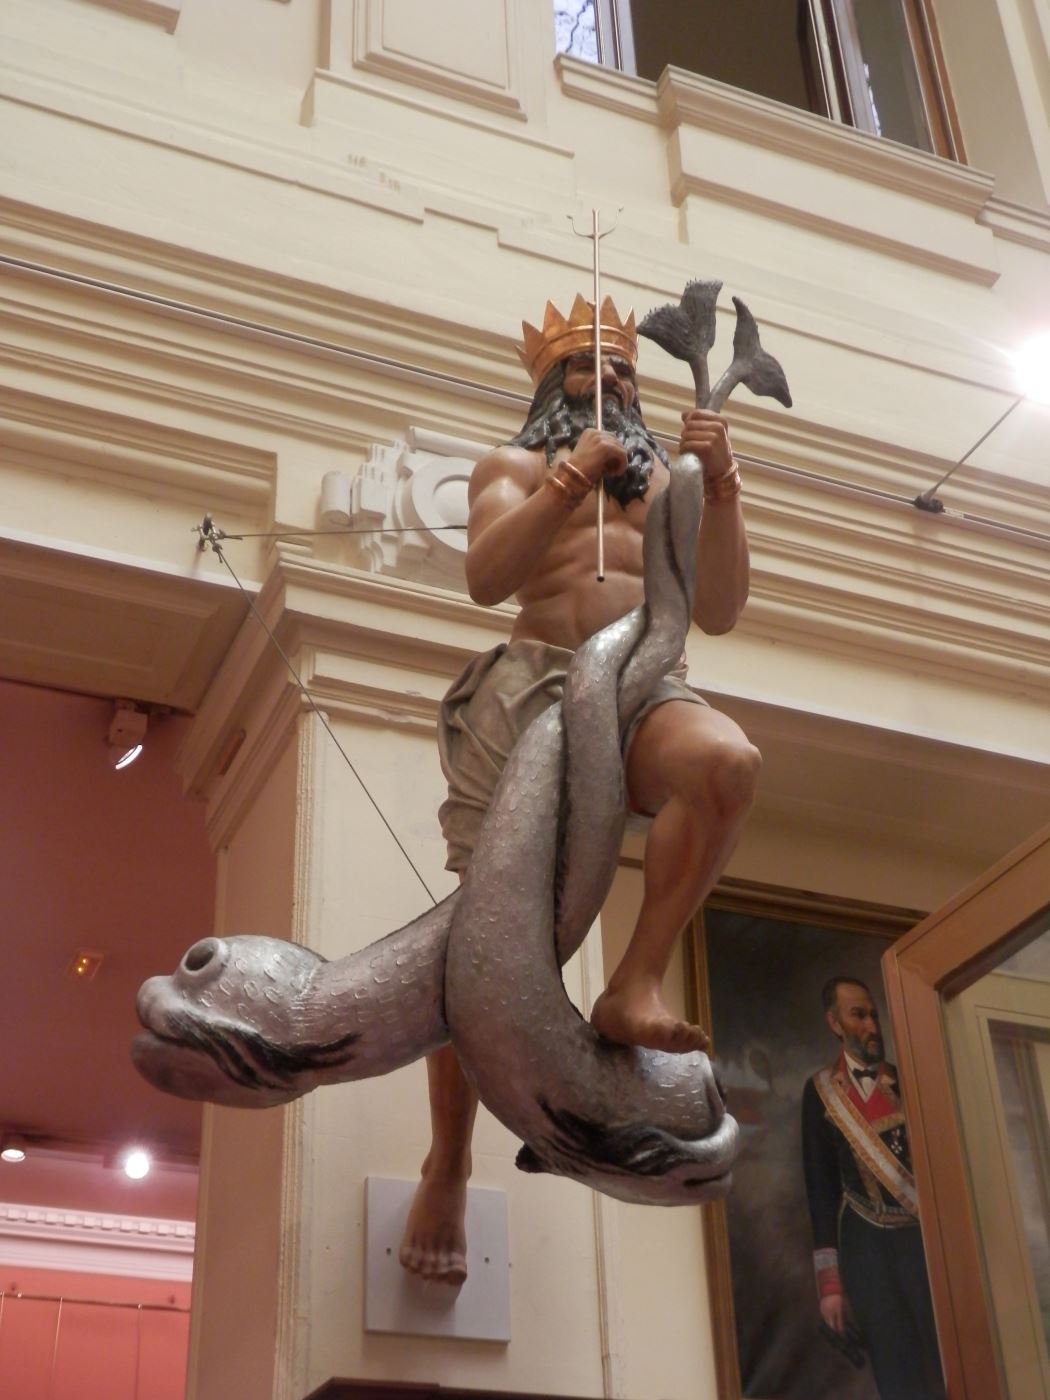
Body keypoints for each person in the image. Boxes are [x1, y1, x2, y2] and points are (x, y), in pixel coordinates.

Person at [399, 294, 761, 1283]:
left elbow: (721, 608)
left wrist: (723, 484)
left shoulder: (669, 484)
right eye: (584, 368)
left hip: (643, 684)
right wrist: (569, 479)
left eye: (624, 370)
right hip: (532, 687)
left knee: (729, 764)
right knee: (482, 930)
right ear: (547, 388)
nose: (608, 381)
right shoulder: (512, 468)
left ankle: (634, 980)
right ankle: (448, 1159)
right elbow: (486, 576)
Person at [801, 977, 946, 1399]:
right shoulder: (820, 1092)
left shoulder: (907, 1082)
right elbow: (820, 1190)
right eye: (858, 1015)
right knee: (895, 1370)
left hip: (921, 1243)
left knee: (948, 1359)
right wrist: (830, 1287)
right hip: (865, 1249)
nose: (871, 1026)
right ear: (834, 1023)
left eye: (873, 1015)